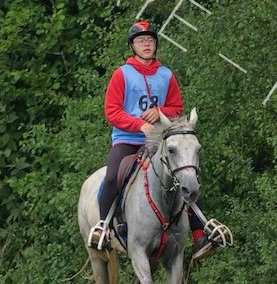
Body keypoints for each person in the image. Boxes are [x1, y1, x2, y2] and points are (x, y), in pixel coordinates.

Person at [87, 20, 232, 261]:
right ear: (132, 46)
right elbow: (112, 111)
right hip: (127, 139)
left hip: (159, 141)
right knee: (112, 177)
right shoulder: (122, 74)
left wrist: (159, 111)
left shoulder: (166, 75)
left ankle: (200, 235)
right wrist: (139, 124)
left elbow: (177, 107)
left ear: (155, 45)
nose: (146, 44)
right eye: (141, 41)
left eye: (150, 40)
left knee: (187, 175)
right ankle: (103, 228)